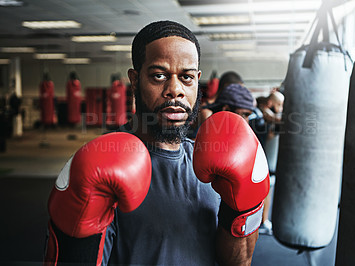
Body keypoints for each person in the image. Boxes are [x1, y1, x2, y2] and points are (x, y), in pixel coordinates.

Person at [44, 20, 269, 266]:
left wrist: (238, 211)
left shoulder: (213, 163)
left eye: (187, 77)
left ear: (197, 81)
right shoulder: (102, 164)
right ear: (134, 80)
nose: (175, 90)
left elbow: (239, 262)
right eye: (159, 76)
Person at [256, 90, 285, 236]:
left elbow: (271, 134)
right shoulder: (260, 115)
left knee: (268, 190)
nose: (280, 108)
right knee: (265, 191)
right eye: (278, 104)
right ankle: (262, 222)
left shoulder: (268, 117)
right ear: (269, 103)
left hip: (268, 159)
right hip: (258, 159)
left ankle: (263, 221)